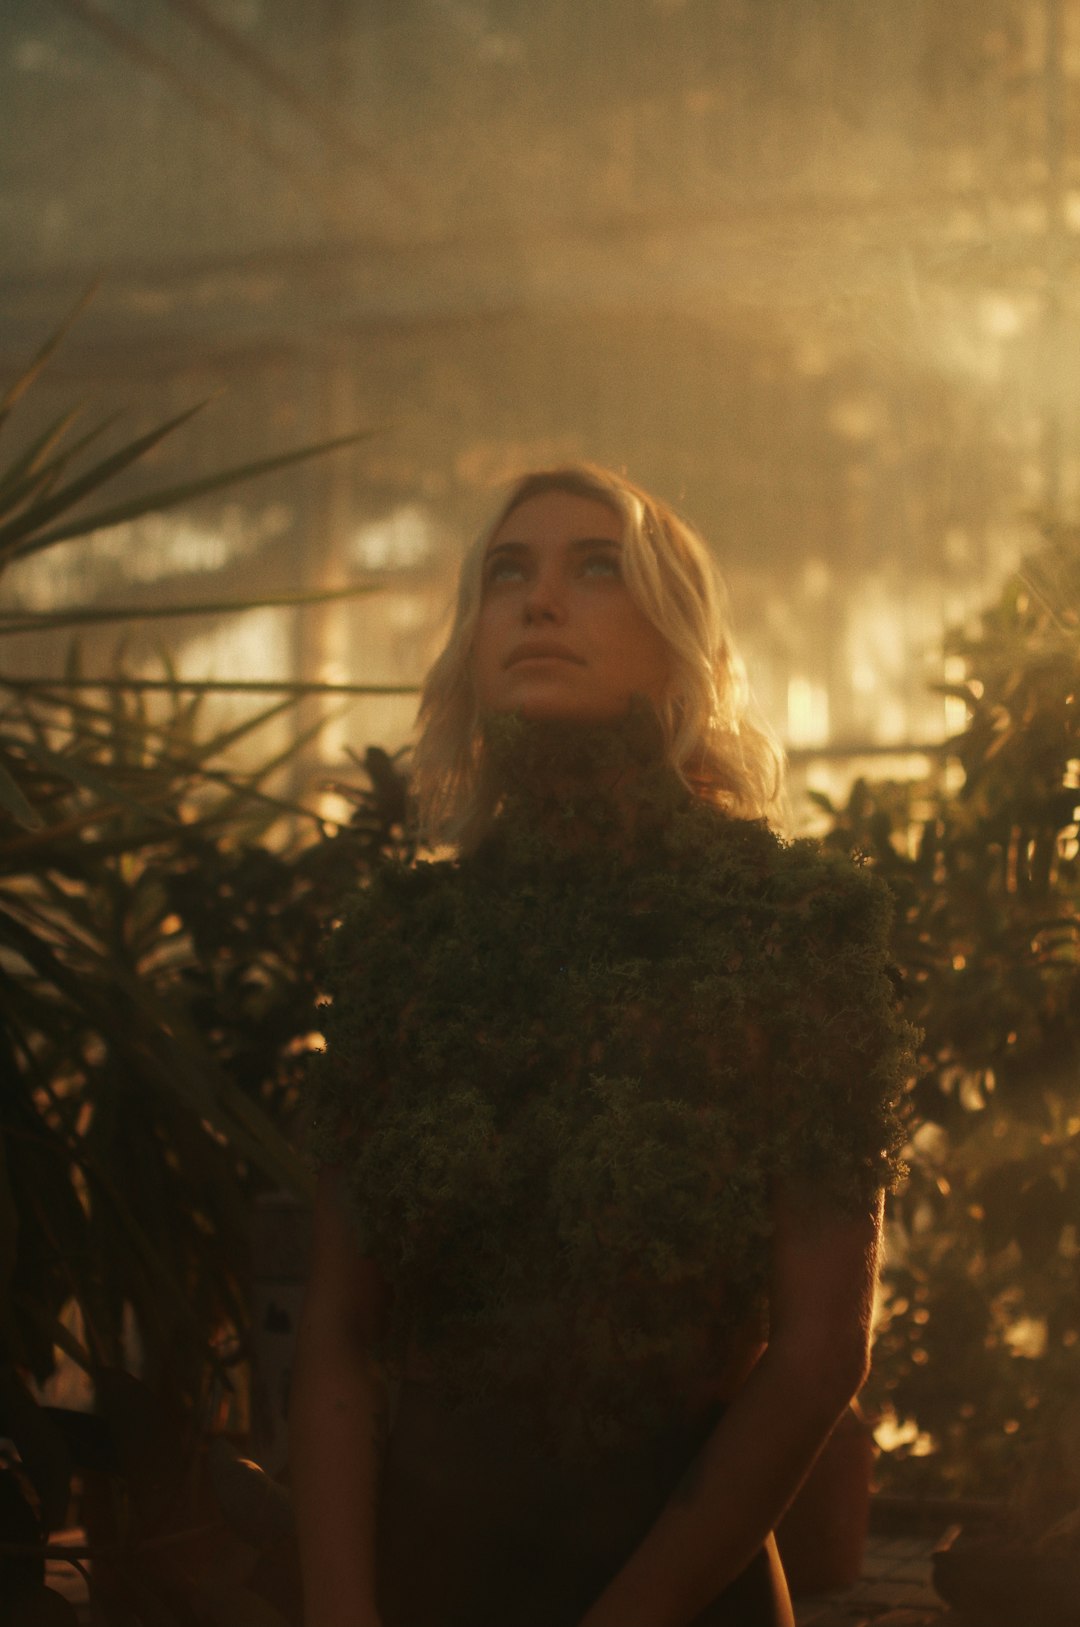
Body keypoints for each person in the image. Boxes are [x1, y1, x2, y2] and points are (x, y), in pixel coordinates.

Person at [290, 464, 913, 1627]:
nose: (538, 600)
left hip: (687, 1598)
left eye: (597, 569)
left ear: (681, 647)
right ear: (471, 646)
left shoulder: (794, 925)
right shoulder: (402, 942)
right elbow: (337, 1329)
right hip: (424, 1586)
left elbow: (824, 1345)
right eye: (505, 574)